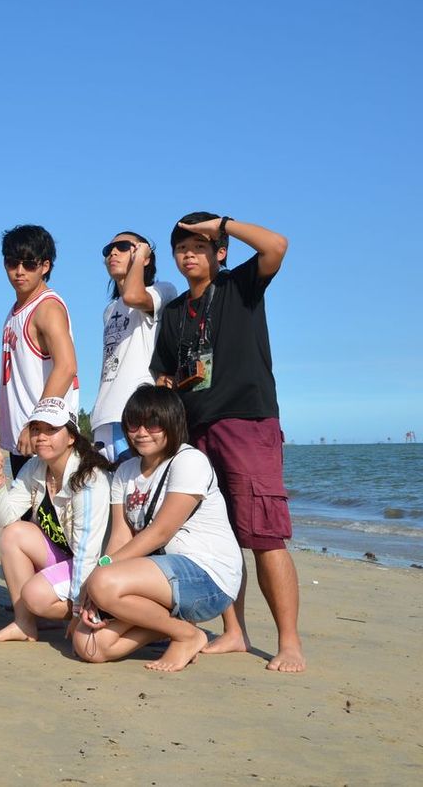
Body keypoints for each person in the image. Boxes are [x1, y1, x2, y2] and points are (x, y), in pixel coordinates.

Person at [150, 213, 303, 673]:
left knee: (264, 535)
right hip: (194, 429)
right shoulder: (174, 313)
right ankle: (235, 631)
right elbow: (162, 373)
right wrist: (166, 385)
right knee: (221, 535)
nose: (189, 255)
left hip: (246, 421)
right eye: (182, 248)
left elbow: (276, 245)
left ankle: (289, 642)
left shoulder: (239, 286)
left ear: (219, 252)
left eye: (199, 246)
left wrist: (223, 223)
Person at [74, 385, 242, 672]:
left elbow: (161, 532)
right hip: (157, 578)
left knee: (102, 583)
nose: (141, 432)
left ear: (172, 422)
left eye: (153, 424)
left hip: (206, 577)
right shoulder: (125, 472)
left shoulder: (189, 461)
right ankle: (174, 627)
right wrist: (99, 587)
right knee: (89, 645)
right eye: (133, 424)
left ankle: (187, 636)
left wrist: (99, 576)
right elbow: (120, 536)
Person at [0, 397, 112, 643]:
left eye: (51, 429)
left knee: (34, 596)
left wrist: (77, 610)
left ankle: (101, 610)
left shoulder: (89, 478)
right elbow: (6, 518)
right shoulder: (35, 467)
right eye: (36, 429)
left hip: (98, 564)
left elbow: (87, 551)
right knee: (13, 534)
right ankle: (24, 623)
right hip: (68, 556)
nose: (41, 437)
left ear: (71, 437)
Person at [0, 225, 79, 478]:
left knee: (51, 504)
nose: (19, 271)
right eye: (12, 262)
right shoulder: (15, 310)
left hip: (44, 437)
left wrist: (36, 424)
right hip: (24, 437)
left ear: (45, 266)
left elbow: (67, 367)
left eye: (29, 264)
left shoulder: (47, 308)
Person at [89, 233, 178, 462]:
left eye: (122, 246)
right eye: (108, 250)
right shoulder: (109, 310)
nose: (112, 252)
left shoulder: (161, 291)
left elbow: (132, 296)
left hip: (138, 414)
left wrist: (140, 256)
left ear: (144, 256)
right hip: (103, 417)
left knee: (135, 482)